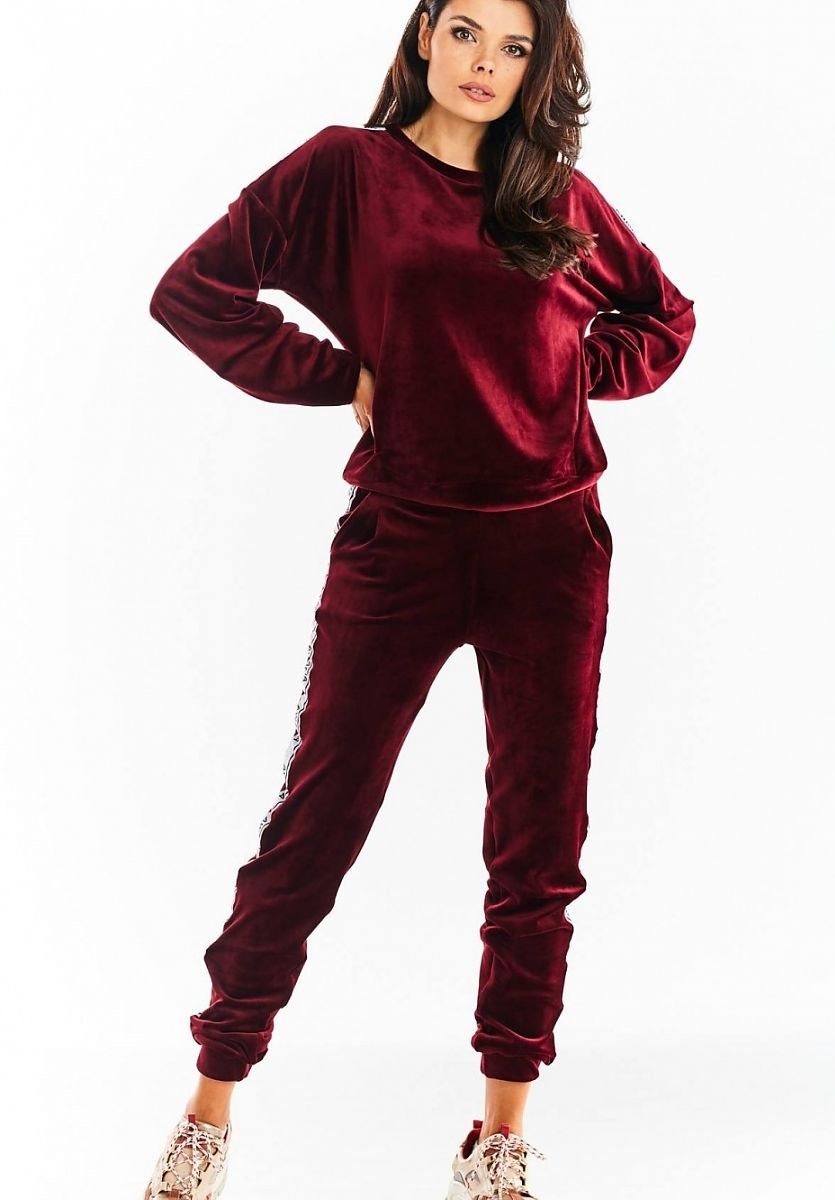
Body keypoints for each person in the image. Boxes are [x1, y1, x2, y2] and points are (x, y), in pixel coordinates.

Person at [142, 0, 696, 1196]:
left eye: (515, 48)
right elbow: (193, 293)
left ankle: (500, 1138)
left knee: (540, 843)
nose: (487, 64)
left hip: (552, 551)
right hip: (401, 542)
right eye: (467, 34)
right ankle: (209, 1107)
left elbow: (666, 317)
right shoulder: (347, 173)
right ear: (424, 38)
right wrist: (340, 374)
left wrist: (567, 374)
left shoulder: (556, 196)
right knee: (318, 822)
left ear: (537, 70)